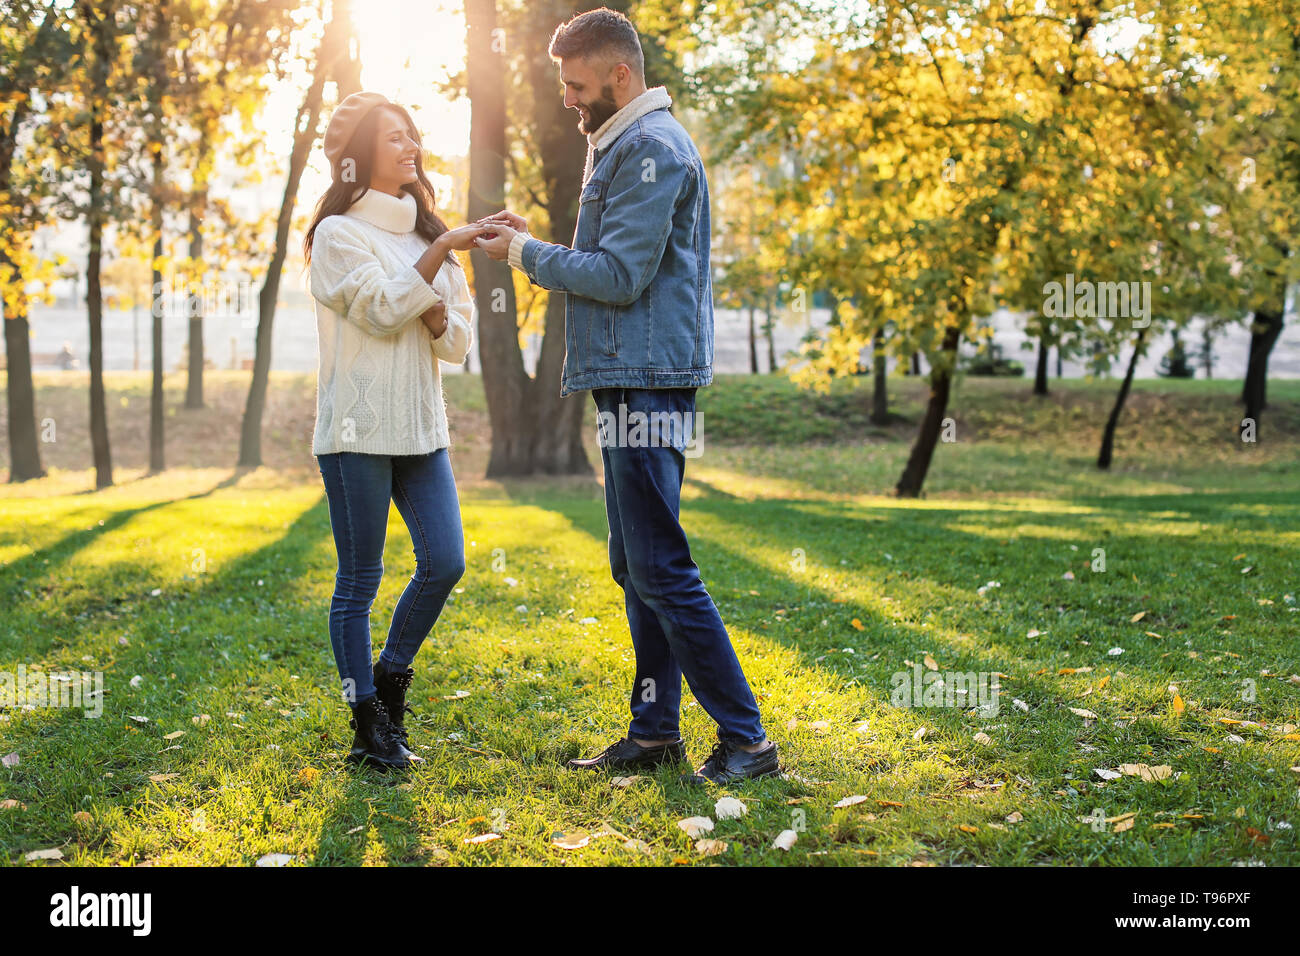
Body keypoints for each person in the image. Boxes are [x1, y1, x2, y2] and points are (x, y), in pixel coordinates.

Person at [474, 8, 781, 784]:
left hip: (647, 384)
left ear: (620, 74)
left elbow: (618, 277)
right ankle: (655, 733)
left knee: (661, 565)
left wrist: (524, 254)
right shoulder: (625, 144)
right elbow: (614, 259)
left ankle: (747, 740)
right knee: (634, 563)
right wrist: (537, 240)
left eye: (578, 86)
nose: (569, 101)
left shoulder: (650, 148)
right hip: (628, 377)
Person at [304, 92, 492, 770]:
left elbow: (456, 342)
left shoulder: (426, 236)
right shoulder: (337, 235)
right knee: (360, 580)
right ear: (357, 156)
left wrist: (439, 312)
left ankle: (389, 683)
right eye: (393, 137)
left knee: (446, 562)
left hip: (421, 428)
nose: (410, 145)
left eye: (412, 134)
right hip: (356, 430)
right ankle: (366, 726)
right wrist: (440, 252)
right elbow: (382, 312)